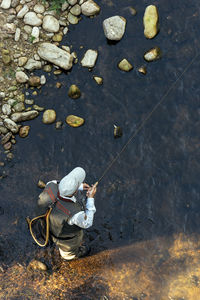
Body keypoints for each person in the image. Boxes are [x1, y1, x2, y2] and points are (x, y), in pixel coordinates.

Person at [37, 167, 97, 260]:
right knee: (68, 251)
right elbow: (87, 223)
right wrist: (90, 198)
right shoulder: (74, 214)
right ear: (74, 191)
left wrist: (79, 186)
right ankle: (69, 256)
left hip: (46, 225)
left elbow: (59, 184)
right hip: (64, 239)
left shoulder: (51, 184)